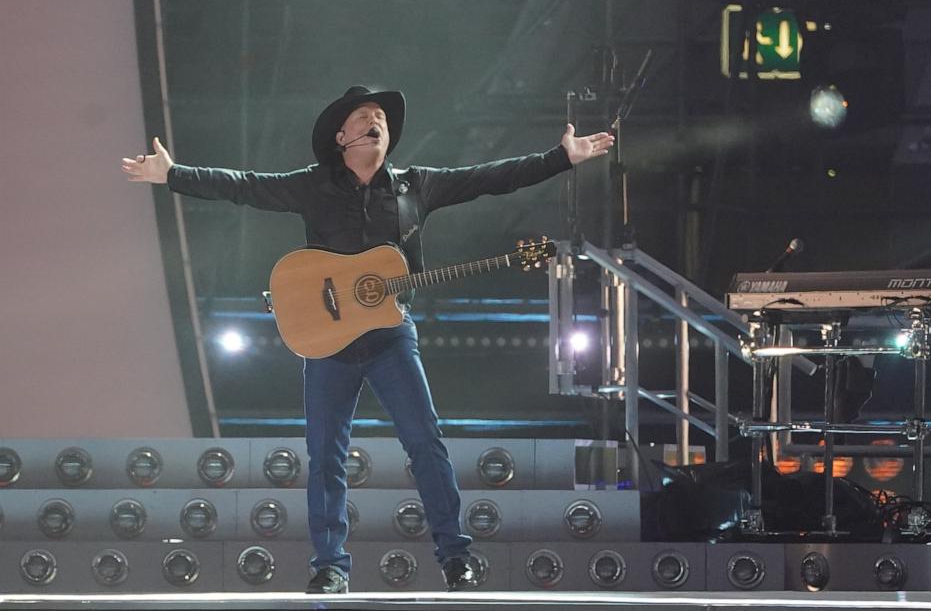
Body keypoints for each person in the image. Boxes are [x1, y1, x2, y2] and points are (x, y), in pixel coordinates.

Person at [121, 85, 614, 593]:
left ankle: (456, 557)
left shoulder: (415, 186)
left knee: (426, 442)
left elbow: (491, 179)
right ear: (342, 136)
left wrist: (561, 158)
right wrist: (172, 175)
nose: (376, 121)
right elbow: (245, 186)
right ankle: (330, 567)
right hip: (328, 343)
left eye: (381, 116)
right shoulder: (314, 186)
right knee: (326, 456)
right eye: (364, 115)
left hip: (390, 337)